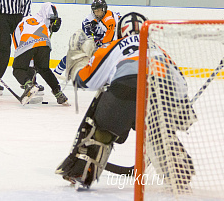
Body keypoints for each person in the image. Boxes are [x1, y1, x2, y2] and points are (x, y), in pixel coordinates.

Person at [55, 12, 196, 190]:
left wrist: (78, 60)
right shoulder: (159, 50)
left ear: (121, 33)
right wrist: (181, 111)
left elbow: (87, 81)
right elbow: (181, 84)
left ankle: (83, 170)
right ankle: (175, 169)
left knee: (100, 127)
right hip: (161, 94)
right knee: (159, 131)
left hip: (124, 90)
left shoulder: (115, 45)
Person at [12, 2, 68, 105]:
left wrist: (19, 54)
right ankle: (58, 92)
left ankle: (28, 85)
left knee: (18, 69)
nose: (52, 23)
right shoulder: (43, 23)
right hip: (44, 43)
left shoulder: (28, 20)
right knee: (44, 69)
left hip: (27, 42)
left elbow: (16, 36)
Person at [53, 0, 120, 78]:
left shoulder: (111, 18)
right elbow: (87, 37)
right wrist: (92, 37)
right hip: (93, 41)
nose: (97, 13)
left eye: (98, 11)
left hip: (107, 43)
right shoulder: (89, 20)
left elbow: (112, 33)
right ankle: (56, 72)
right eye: (95, 11)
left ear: (104, 9)